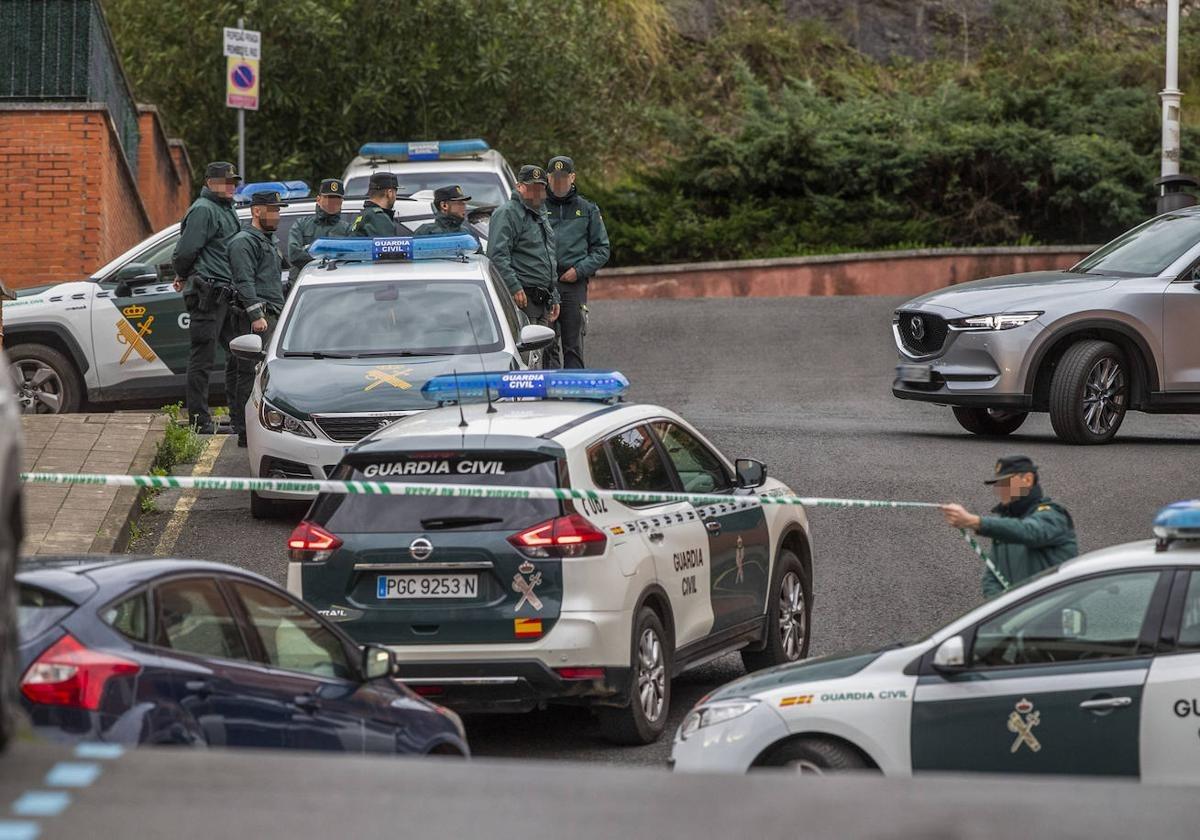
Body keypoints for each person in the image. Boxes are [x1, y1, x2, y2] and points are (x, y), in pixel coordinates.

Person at [940, 455, 1078, 598]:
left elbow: (1030, 532)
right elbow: (991, 578)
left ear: (1027, 480)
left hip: (1053, 613)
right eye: (998, 485)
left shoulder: (1053, 514)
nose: (1000, 490)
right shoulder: (1006, 523)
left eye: (1006, 483)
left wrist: (975, 521)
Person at [172, 161, 242, 433]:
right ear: (210, 182)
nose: (232, 186)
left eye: (233, 182)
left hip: (226, 293)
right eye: (227, 182)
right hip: (208, 294)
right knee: (202, 359)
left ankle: (237, 416)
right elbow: (186, 251)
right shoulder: (203, 210)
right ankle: (199, 420)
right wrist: (181, 273)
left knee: (240, 354)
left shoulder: (226, 209)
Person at [227, 190, 288, 447]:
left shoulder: (266, 239)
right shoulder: (244, 242)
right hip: (258, 317)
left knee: (263, 373)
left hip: (272, 311)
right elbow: (244, 280)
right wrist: (256, 314)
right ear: (256, 211)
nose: (276, 215)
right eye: (272, 210)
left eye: (278, 210)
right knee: (248, 373)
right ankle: (244, 430)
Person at [545, 155, 610, 368]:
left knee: (573, 346)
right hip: (544, 284)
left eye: (564, 178)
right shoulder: (537, 209)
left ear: (572, 177)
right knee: (546, 344)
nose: (559, 182)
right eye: (555, 178)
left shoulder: (588, 209)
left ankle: (574, 395)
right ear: (547, 178)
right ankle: (551, 396)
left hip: (573, 284)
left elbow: (602, 250)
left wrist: (579, 270)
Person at [489, 165, 558, 353]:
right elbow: (497, 255)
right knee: (530, 359)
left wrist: (555, 295)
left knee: (546, 356)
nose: (537, 191)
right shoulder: (508, 213)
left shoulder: (540, 212)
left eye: (541, 187)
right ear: (519, 186)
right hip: (524, 300)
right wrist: (514, 286)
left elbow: (549, 256)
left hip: (544, 300)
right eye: (532, 187)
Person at [287, 178, 349, 283]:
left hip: (335, 283)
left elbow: (349, 258)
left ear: (342, 202)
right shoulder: (301, 225)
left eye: (337, 199)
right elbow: (294, 255)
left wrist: (309, 250)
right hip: (302, 285)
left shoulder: (347, 229)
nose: (332, 203)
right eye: (329, 198)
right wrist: (330, 254)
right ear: (318, 199)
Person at [348, 171, 400, 237]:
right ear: (389, 193)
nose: (395, 197)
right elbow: (388, 246)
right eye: (395, 193)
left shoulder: (365, 214)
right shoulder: (379, 218)